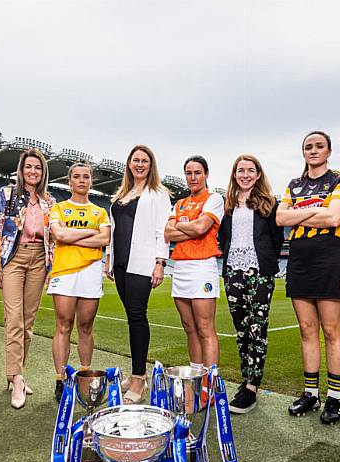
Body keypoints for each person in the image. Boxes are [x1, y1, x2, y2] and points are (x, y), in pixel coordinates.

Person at [276, 131, 340, 425]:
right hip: (299, 260)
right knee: (307, 330)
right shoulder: (293, 184)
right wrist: (317, 209)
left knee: (332, 331)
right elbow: (280, 219)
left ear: (329, 150)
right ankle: (311, 393)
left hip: (328, 259)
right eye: (308, 147)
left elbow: (334, 218)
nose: (313, 150)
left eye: (319, 146)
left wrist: (299, 211)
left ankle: (334, 398)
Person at [0, 148, 56, 409]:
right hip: (13, 258)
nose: (32, 171)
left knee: (28, 322)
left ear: (43, 172)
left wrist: (51, 271)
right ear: (21, 169)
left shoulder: (50, 201)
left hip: (39, 259)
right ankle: (16, 378)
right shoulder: (7, 194)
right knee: (14, 318)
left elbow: (54, 241)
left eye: (37, 168)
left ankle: (17, 373)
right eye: (28, 167)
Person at [218, 154, 284, 414]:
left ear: (258, 175)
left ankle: (253, 387)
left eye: (250, 170)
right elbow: (224, 237)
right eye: (240, 170)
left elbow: (277, 239)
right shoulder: (229, 204)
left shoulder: (269, 204)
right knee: (241, 330)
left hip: (259, 273)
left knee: (257, 329)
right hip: (233, 272)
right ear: (234, 175)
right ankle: (246, 379)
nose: (245, 175)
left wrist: (264, 263)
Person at [105, 145, 171, 404]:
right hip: (120, 263)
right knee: (131, 317)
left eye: (145, 161)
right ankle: (139, 372)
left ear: (151, 165)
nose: (140, 164)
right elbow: (113, 229)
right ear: (129, 164)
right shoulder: (121, 194)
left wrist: (160, 263)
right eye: (136, 160)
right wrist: (109, 258)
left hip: (142, 263)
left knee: (137, 316)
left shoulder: (158, 194)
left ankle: (138, 378)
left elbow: (162, 231)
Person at [48, 163, 110, 401]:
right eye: (77, 177)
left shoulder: (100, 212)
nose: (81, 180)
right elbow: (60, 235)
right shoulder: (59, 208)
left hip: (91, 271)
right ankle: (61, 379)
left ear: (91, 181)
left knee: (85, 326)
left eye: (86, 177)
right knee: (63, 324)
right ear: (69, 181)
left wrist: (74, 237)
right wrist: (90, 235)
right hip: (64, 271)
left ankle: (85, 377)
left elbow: (104, 239)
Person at [164, 155, 224, 373]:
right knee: (189, 327)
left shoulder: (214, 199)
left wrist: (180, 225)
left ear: (206, 174)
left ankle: (210, 380)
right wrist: (188, 226)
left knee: (205, 327)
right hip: (180, 268)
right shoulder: (179, 203)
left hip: (202, 267)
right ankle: (196, 375)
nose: (193, 177)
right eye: (188, 173)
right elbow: (167, 233)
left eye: (197, 172)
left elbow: (201, 228)